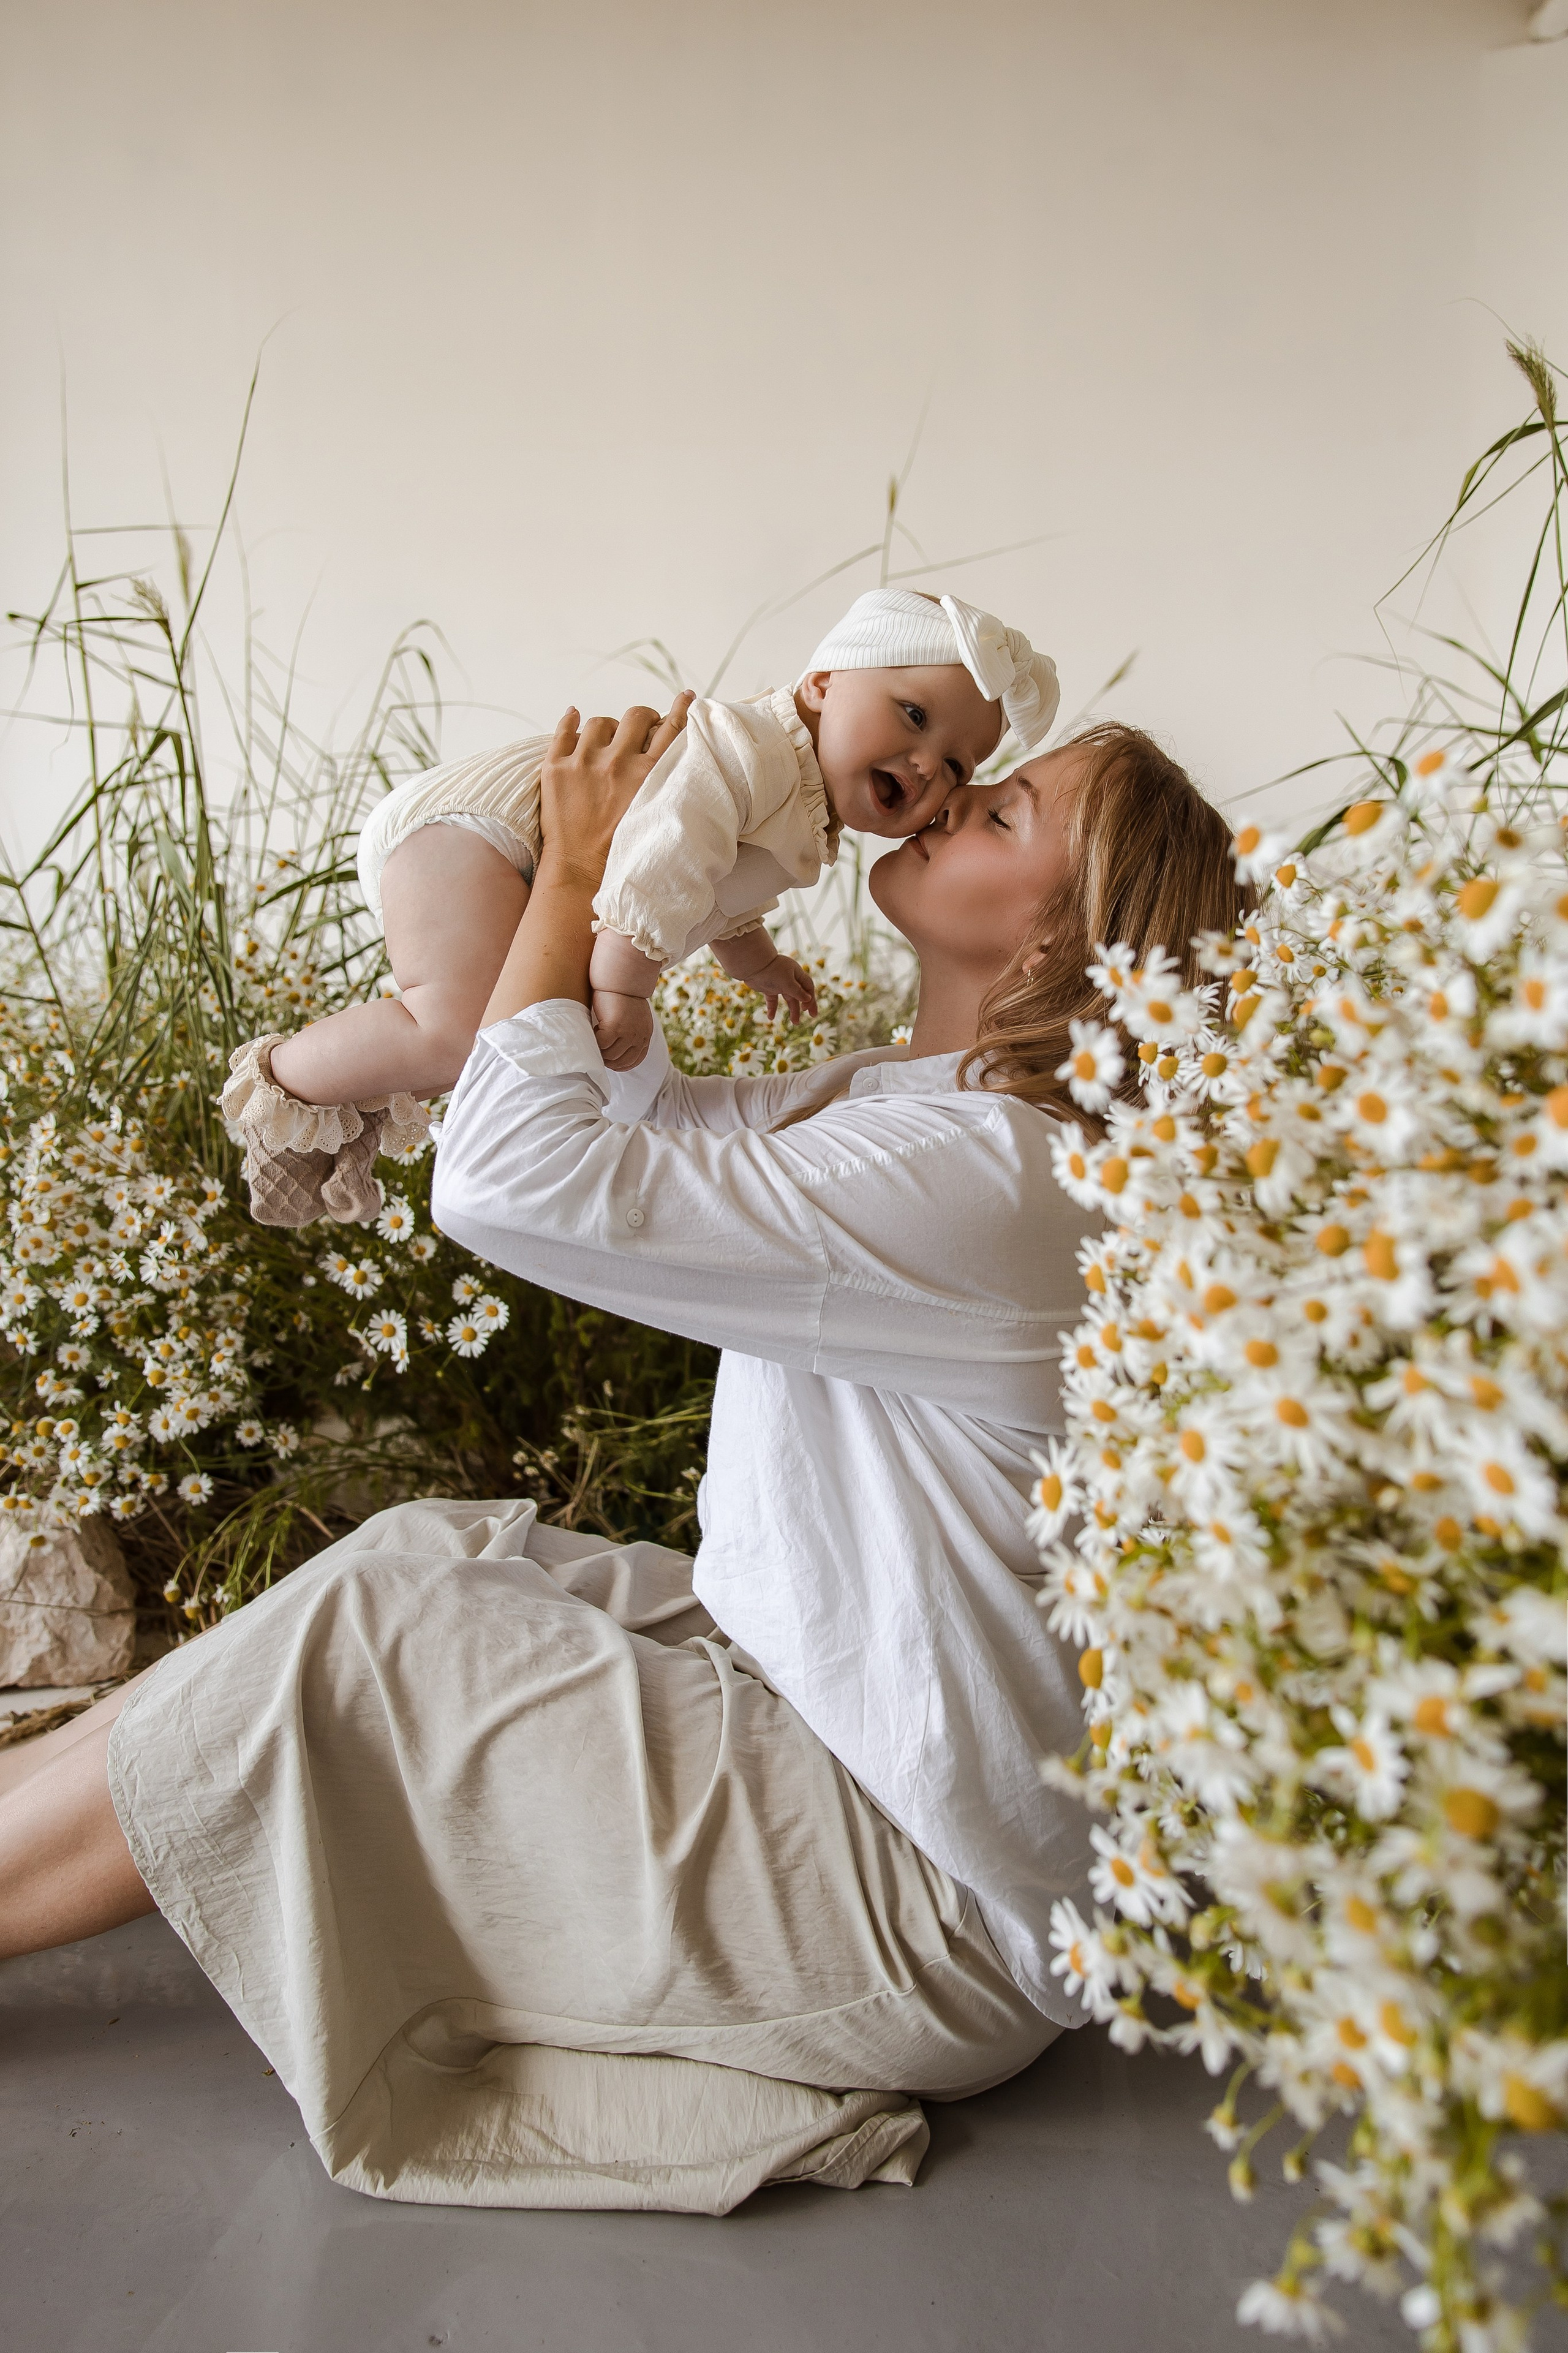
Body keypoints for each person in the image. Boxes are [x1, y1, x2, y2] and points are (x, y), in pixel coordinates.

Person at [0, 697, 1245, 2213]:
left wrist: (584, 865)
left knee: (362, 1640)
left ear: (1060, 945)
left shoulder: (994, 1174)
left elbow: (515, 1179)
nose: (946, 795)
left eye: (999, 816)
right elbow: (639, 1136)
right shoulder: (920, 1107)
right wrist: (625, 962)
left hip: (920, 1901)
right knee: (423, 1553)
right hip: (834, 1730)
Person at [220, 588, 1058, 1226]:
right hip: (487, 830)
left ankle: (340, 1117)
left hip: (518, 851)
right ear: (824, 682)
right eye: (912, 716)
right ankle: (282, 1086)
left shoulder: (798, 803)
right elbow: (671, 844)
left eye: (955, 765)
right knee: (470, 1028)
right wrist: (622, 980)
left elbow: (710, 883)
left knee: (486, 1045)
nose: (926, 768)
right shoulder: (753, 750)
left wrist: (753, 957)